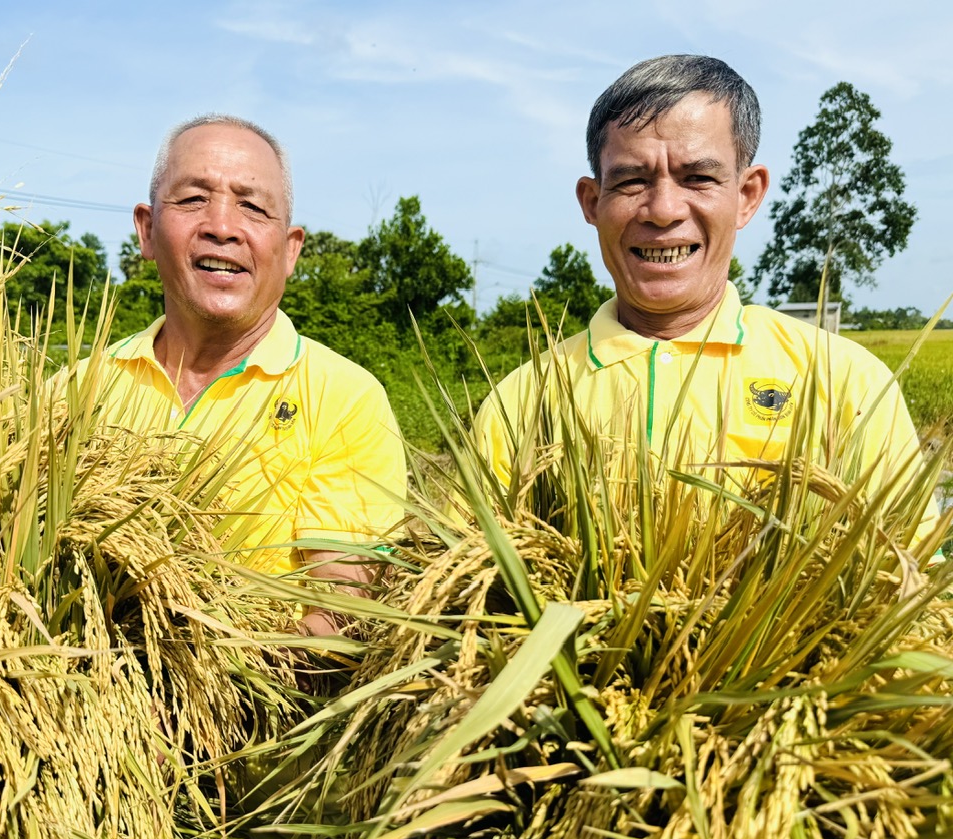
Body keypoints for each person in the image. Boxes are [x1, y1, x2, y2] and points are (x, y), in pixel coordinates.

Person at [475, 55, 937, 548]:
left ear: (747, 195)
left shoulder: (843, 381)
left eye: (698, 178)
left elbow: (912, 586)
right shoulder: (523, 402)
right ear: (592, 202)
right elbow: (467, 591)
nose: (664, 210)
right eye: (632, 180)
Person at [76, 114, 406, 634]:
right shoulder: (75, 392)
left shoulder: (345, 399)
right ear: (146, 228)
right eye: (192, 200)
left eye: (252, 207)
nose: (222, 227)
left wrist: (193, 677)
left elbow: (339, 613)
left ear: (291, 248)